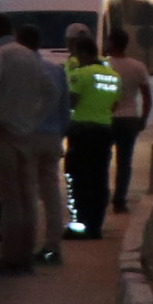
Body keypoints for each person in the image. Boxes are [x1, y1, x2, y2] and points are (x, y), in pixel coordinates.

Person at [0, 22, 70, 273]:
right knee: (27, 196)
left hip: (3, 132)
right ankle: (27, 252)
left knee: (9, 198)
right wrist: (34, 118)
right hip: (26, 134)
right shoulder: (30, 57)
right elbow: (52, 93)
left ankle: (10, 256)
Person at [63, 25, 116, 241]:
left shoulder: (80, 74)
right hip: (104, 130)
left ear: (82, 53)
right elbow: (114, 105)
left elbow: (71, 101)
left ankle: (79, 225)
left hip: (81, 131)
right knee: (99, 179)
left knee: (77, 180)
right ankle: (96, 226)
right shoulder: (113, 75)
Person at [106, 22, 153, 213]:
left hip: (107, 119)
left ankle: (101, 195)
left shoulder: (104, 65)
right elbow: (147, 96)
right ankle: (120, 199)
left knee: (103, 159)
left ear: (112, 43)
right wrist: (143, 118)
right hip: (129, 119)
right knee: (125, 162)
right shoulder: (138, 66)